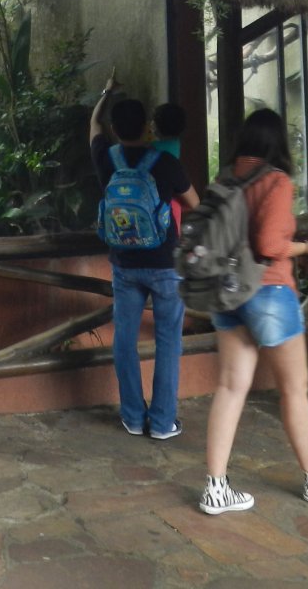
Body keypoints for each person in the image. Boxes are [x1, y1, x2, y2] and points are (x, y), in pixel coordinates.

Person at [200, 109, 308, 515]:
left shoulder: (222, 181)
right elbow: (271, 245)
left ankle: (216, 487)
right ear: (277, 143)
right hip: (269, 291)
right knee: (294, 388)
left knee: (230, 386)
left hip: (227, 290)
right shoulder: (275, 181)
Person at [91, 76, 200, 439]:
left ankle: (134, 418)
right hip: (166, 263)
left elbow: (93, 125)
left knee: (124, 339)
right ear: (146, 127)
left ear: (115, 129)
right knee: (169, 340)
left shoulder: (107, 158)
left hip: (124, 264)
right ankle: (164, 422)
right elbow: (195, 204)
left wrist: (106, 93)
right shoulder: (165, 161)